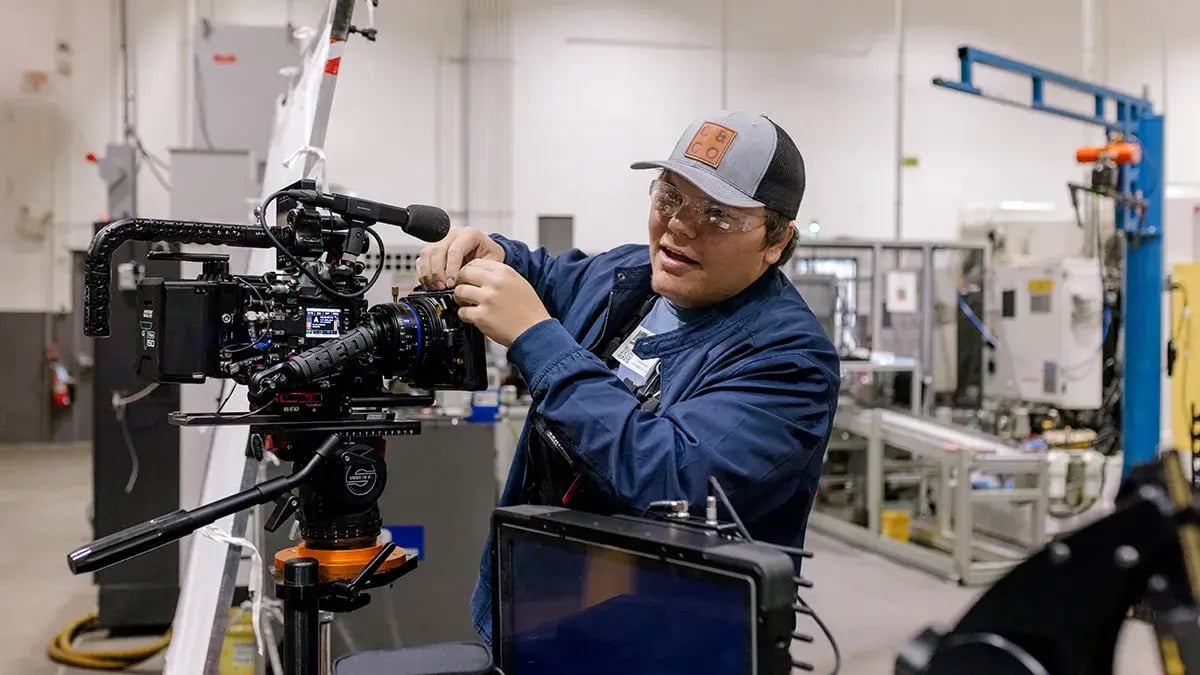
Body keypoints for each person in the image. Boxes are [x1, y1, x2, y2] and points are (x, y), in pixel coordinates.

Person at [416, 110, 840, 642]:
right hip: (537, 605)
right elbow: (551, 276)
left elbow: (669, 480)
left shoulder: (789, 360)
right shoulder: (630, 278)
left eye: (718, 216)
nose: (680, 226)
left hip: (664, 645)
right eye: (669, 197)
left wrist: (539, 341)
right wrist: (498, 255)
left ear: (775, 242)